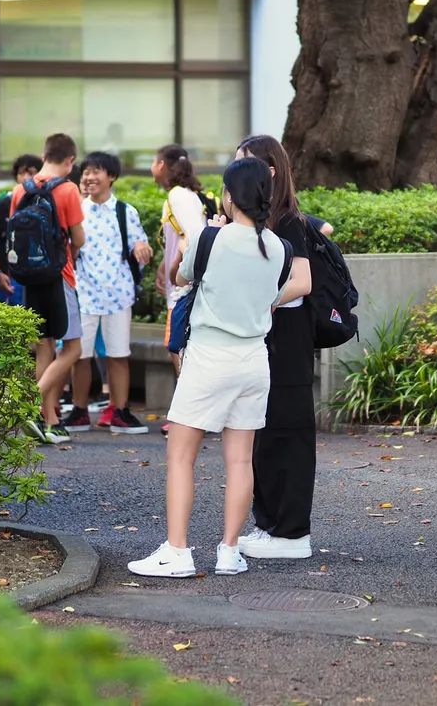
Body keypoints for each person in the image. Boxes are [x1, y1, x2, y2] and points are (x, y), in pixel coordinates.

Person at [128, 157, 296, 578]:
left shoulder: (210, 238)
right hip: (254, 360)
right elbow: (272, 297)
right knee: (240, 461)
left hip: (209, 358)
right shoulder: (281, 248)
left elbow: (179, 277)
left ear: (229, 195)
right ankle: (229, 551)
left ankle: (178, 552)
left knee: (181, 456)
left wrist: (207, 236)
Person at [235, 134, 316, 560]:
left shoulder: (287, 221)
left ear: (268, 171)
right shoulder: (260, 220)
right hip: (266, 340)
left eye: (243, 164)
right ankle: (270, 526)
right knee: (264, 436)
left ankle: (292, 534)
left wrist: (263, 299)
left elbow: (303, 282)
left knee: (286, 435)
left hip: (287, 343)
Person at [66, 151, 153, 434]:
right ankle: (79, 411)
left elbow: (139, 241)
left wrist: (141, 247)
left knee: (118, 355)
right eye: (86, 172)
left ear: (111, 176)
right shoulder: (77, 210)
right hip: (84, 294)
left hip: (118, 294)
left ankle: (120, 411)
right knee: (79, 355)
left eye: (96, 172)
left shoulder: (125, 212)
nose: (89, 177)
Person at [11, 134, 86, 446]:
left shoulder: (20, 190)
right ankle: (30, 403)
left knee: (44, 347)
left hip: (30, 278)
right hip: (60, 276)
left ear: (43, 156)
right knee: (73, 349)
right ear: (70, 160)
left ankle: (49, 421)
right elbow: (78, 239)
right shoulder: (68, 190)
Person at [152, 145, 210, 434]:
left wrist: (174, 268)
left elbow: (194, 237)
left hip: (183, 291)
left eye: (154, 162)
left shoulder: (177, 195)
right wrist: (164, 267)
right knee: (180, 348)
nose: (153, 167)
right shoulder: (185, 194)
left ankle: (187, 417)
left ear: (162, 165)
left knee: (178, 348)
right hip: (181, 288)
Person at [0, 153, 44, 308]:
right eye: (21, 173)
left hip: (36, 277)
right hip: (9, 277)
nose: (25, 178)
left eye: (31, 173)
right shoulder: (6, 203)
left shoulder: (44, 204)